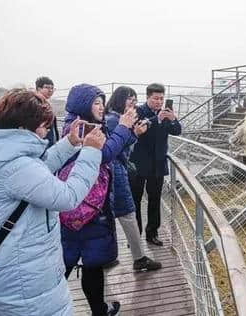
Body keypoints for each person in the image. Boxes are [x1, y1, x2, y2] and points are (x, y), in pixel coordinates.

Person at [0, 89, 105, 315]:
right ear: (22, 129)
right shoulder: (17, 166)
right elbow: (67, 196)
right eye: (43, 126)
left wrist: (69, 143)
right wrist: (90, 152)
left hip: (2, 271)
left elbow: (37, 173)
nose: (46, 132)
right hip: (25, 284)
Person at [60, 84, 147, 316]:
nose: (100, 106)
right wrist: (124, 128)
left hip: (87, 205)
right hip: (86, 207)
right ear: (82, 105)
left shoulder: (82, 124)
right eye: (95, 102)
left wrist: (127, 132)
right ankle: (50, 306)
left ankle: (99, 309)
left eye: (101, 102)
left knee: (91, 263)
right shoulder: (80, 128)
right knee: (68, 264)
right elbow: (104, 154)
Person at [105, 86, 162, 271]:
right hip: (120, 171)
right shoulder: (115, 120)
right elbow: (116, 148)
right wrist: (135, 134)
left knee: (122, 212)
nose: (132, 103)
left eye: (134, 99)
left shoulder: (116, 118)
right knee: (128, 211)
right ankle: (138, 257)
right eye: (130, 99)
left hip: (131, 168)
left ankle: (115, 255)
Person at [129, 83, 182, 246]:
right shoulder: (138, 111)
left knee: (155, 200)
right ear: (147, 97)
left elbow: (177, 131)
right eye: (155, 98)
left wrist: (173, 120)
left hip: (158, 163)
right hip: (138, 163)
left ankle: (152, 233)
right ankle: (135, 236)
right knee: (134, 200)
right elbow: (138, 128)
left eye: (161, 98)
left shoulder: (165, 113)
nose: (159, 102)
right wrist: (156, 119)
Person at [36, 76, 60, 147]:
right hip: (41, 145)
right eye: (47, 87)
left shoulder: (47, 105)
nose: (50, 90)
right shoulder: (35, 105)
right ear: (38, 89)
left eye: (52, 88)